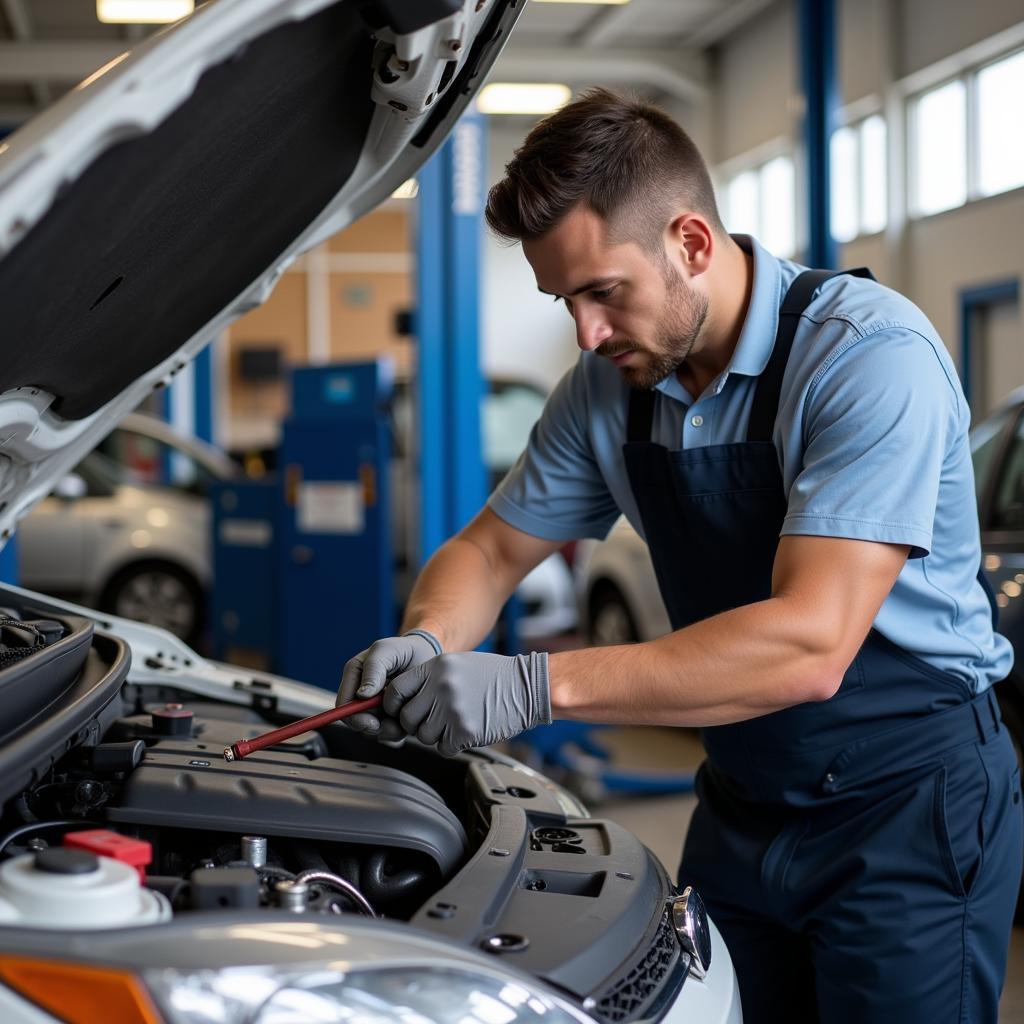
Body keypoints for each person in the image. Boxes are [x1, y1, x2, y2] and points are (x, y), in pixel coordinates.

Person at [336, 88, 1022, 1021]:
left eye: (602, 292)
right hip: (743, 798)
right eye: (562, 300)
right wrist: (427, 637)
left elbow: (812, 643)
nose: (584, 332)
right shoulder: (609, 389)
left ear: (692, 243)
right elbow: (491, 551)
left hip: (907, 804)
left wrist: (536, 685)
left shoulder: (867, 355)